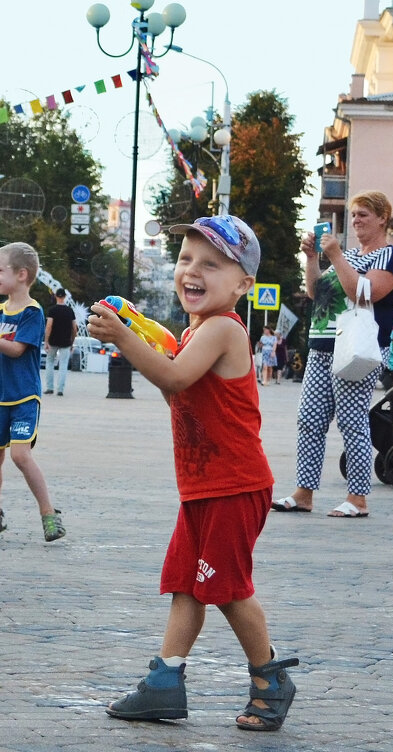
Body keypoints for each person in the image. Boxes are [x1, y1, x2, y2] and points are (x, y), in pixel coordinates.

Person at [88, 214, 298, 732]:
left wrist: (124, 338)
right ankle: (165, 682)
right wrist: (146, 343)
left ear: (243, 285)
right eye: (185, 259)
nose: (192, 271)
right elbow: (177, 391)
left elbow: (176, 376)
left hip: (235, 484)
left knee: (227, 589)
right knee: (186, 584)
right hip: (204, 485)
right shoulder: (196, 330)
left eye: (211, 263)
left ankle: (270, 680)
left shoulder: (225, 329)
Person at [271, 190, 393, 519]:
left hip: (356, 349)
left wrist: (336, 257)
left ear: (383, 218)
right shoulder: (346, 257)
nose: (355, 220)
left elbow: (363, 293)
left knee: (351, 421)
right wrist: (313, 260)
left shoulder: (388, 258)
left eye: (363, 214)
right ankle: (304, 492)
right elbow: (317, 293)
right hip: (322, 346)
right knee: (310, 420)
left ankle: (358, 498)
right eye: (353, 214)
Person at [0, 243, 64, 544]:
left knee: (20, 455)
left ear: (22, 274)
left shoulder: (32, 313)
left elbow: (17, 350)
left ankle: (48, 514)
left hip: (24, 397)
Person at [43, 287, 79, 396]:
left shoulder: (52, 310)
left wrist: (46, 341)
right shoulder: (69, 311)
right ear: (64, 297)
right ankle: (60, 389)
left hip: (53, 340)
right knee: (63, 365)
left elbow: (49, 326)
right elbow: (74, 328)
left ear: (55, 296)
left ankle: (49, 387)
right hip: (66, 342)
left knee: (49, 363)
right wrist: (72, 342)